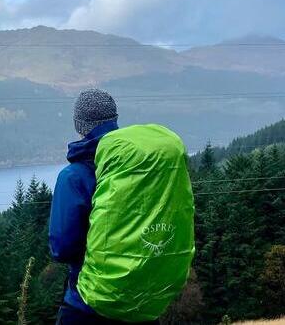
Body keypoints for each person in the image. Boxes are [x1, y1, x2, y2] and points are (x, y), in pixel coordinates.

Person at [49, 89, 195, 325]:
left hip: (88, 304)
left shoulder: (74, 176)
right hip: (142, 304)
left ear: (79, 125)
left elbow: (62, 248)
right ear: (115, 120)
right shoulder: (143, 169)